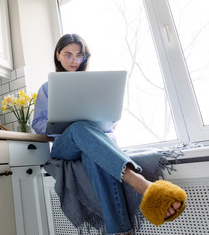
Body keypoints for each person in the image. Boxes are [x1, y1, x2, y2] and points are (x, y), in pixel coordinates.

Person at [32, 34, 187, 234]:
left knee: (92, 154)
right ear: (58, 55)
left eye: (79, 55)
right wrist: (63, 123)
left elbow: (110, 124)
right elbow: (37, 124)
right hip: (65, 145)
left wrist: (98, 126)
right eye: (68, 55)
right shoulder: (47, 88)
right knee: (78, 127)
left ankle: (119, 231)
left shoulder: (95, 84)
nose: (73, 60)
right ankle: (141, 183)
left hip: (93, 143)